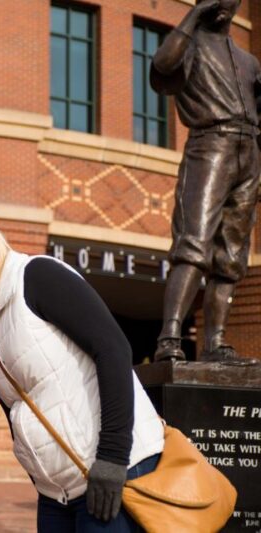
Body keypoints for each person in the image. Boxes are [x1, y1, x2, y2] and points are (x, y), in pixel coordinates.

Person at [0, 222, 165, 532]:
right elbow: (16, 411)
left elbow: (113, 350)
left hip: (112, 470)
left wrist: (113, 459)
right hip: (56, 493)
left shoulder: (36, 276)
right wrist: (38, 475)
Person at [150, 0, 261, 362]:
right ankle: (169, 338)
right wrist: (193, 17)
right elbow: (162, 67)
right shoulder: (187, 45)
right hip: (210, 145)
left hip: (249, 152)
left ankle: (215, 342)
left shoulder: (248, 61)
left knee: (231, 256)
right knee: (193, 244)